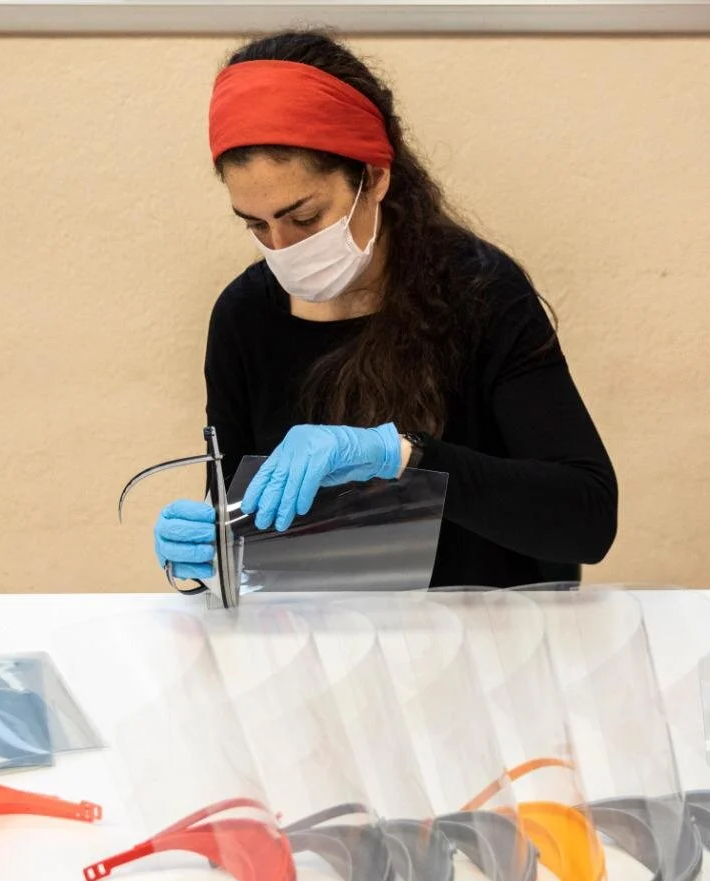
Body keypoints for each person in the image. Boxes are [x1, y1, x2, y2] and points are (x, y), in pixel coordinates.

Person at [153, 32, 617, 590]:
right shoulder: (243, 317)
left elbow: (587, 521)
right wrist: (207, 553)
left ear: (373, 178)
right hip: (322, 645)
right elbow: (241, 526)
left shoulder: (479, 293)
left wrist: (403, 456)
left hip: (486, 641)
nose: (281, 247)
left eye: (304, 218)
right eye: (256, 224)